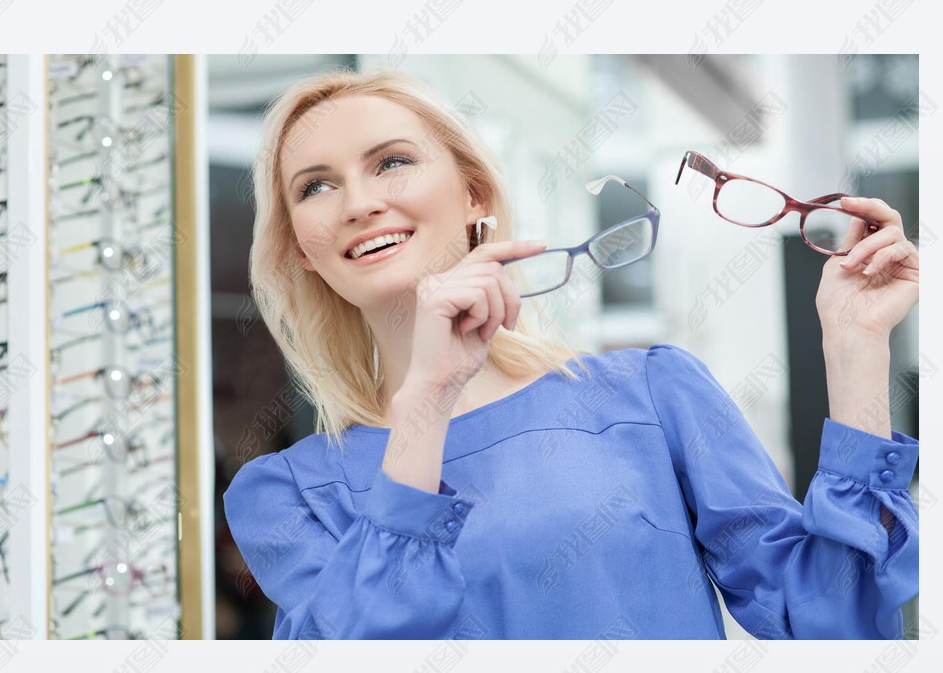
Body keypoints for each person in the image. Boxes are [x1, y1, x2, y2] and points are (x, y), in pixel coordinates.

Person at [222, 69, 919, 640]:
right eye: (315, 186)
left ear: (475, 196)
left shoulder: (650, 394)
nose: (358, 202)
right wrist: (425, 405)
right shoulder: (284, 497)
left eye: (392, 162)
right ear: (299, 252)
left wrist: (856, 351)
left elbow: (834, 625)